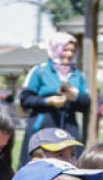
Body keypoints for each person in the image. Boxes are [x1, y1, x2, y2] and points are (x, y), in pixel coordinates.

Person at [18, 32, 90, 167]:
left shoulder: (77, 75)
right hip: (43, 125)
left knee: (70, 165)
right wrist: (48, 101)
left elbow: (86, 104)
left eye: (72, 50)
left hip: (68, 127)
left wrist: (74, 97)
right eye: (65, 49)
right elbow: (25, 99)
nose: (69, 54)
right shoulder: (39, 71)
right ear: (55, 48)